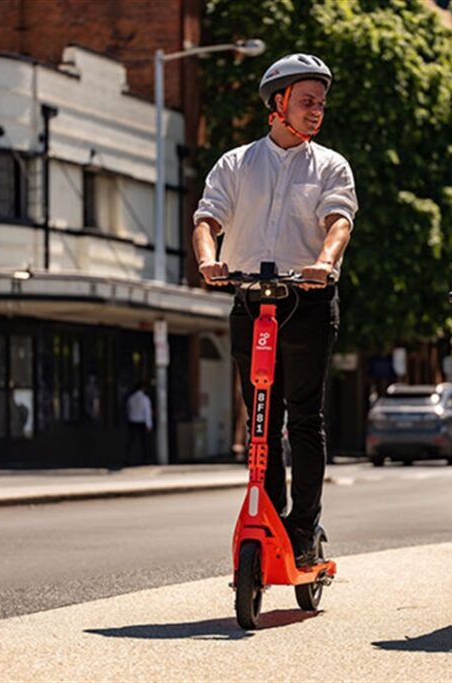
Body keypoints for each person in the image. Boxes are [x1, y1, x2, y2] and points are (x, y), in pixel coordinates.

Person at [193, 53, 358, 566]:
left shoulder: (330, 165)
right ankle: (266, 515)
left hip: (306, 302)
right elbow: (207, 219)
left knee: (305, 418)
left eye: (321, 104)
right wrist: (208, 260)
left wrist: (323, 263)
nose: (316, 112)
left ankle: (303, 527)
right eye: (307, 102)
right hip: (250, 299)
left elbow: (339, 222)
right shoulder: (237, 163)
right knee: (261, 417)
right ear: (278, 103)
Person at [125, 382, 152, 466]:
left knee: (131, 441)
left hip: (132, 421)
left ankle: (128, 458)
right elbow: (147, 412)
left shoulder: (131, 398)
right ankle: (145, 458)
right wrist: (149, 424)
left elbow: (128, 409)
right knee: (143, 442)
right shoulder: (145, 399)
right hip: (141, 422)